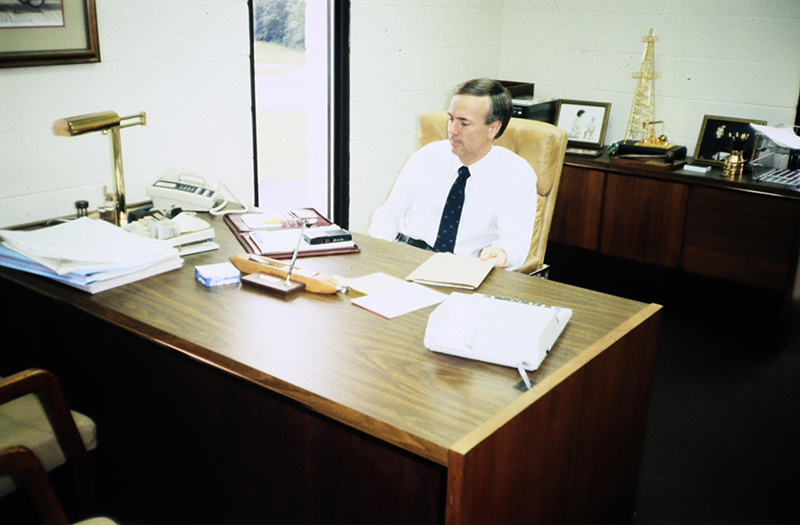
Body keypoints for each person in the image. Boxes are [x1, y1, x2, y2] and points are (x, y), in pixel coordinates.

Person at [367, 78, 537, 271]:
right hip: (406, 257)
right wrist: (382, 249)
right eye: (451, 119)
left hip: (464, 268)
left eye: (464, 123)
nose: (452, 130)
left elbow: (515, 240)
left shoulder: (516, 174)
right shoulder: (427, 156)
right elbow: (388, 214)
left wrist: (502, 253)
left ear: (493, 128)